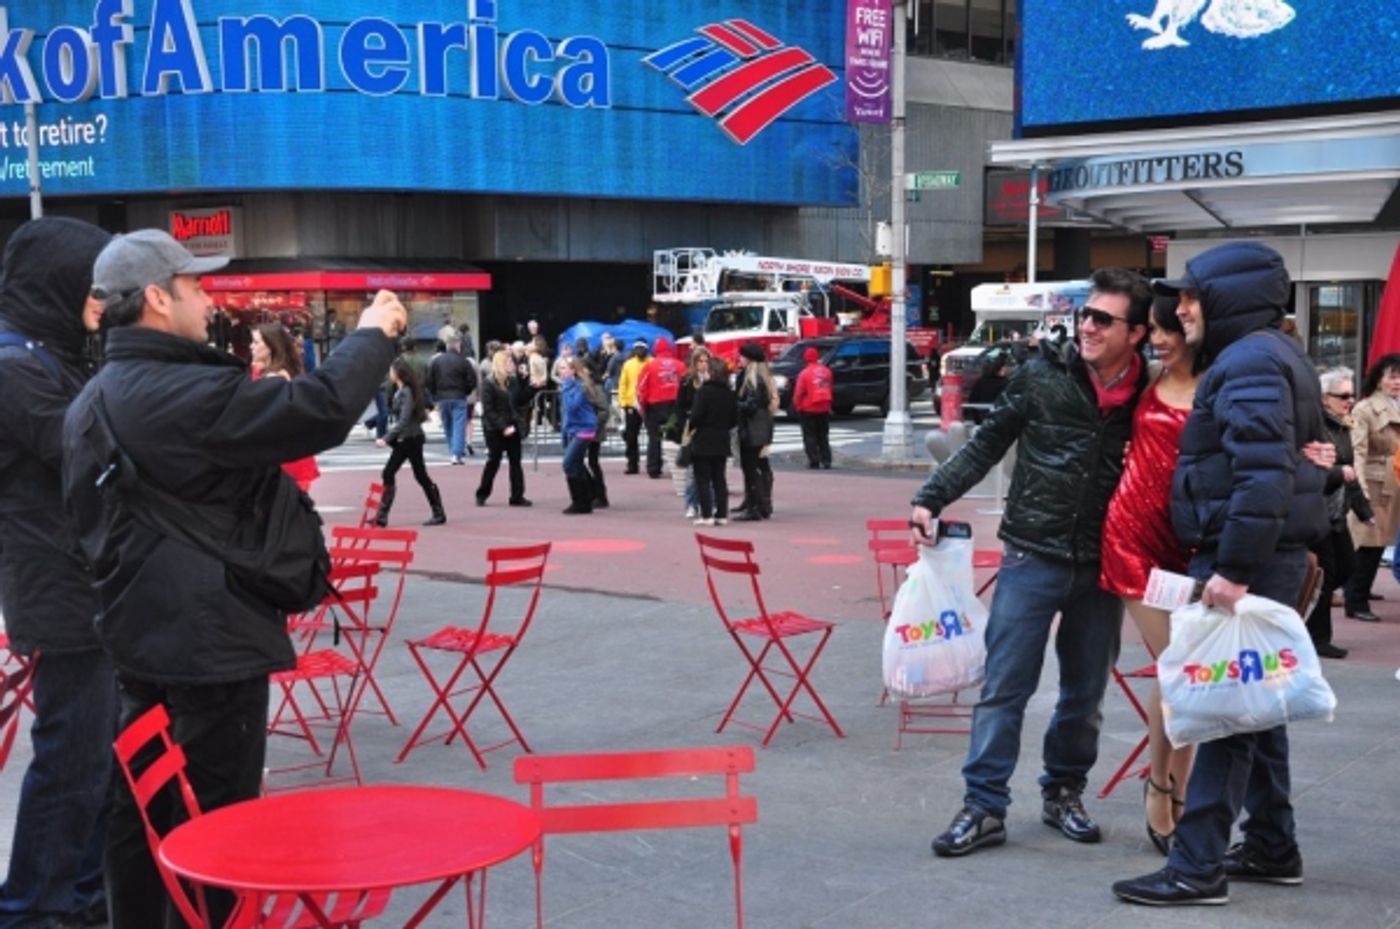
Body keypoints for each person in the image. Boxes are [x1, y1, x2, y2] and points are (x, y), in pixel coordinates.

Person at [62, 229, 405, 929]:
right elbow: (318, 410)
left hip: (136, 640)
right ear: (158, 298)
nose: (207, 295)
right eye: (194, 284)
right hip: (211, 644)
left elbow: (85, 531)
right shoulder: (184, 392)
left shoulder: (89, 404)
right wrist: (372, 334)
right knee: (220, 824)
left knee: (141, 809)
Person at [1113, 242, 1329, 907]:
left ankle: (1197, 863)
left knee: (1227, 711)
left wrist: (1232, 569)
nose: (1180, 310)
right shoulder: (1265, 355)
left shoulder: (1249, 362)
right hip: (1261, 555)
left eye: (1191, 296)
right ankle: (1271, 842)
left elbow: (1262, 473)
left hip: (1247, 562)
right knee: (1255, 705)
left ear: (1229, 298)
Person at [910, 267, 1153, 858]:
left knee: (1085, 693)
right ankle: (984, 806)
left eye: (1103, 318)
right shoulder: (1043, 375)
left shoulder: (1152, 391)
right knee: (1005, 688)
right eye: (1085, 314)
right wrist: (931, 497)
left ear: (1139, 333)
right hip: (1031, 553)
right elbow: (988, 442)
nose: (1088, 326)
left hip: (1104, 563)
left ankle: (1063, 792)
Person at [0, 217, 115, 929]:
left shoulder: (51, 354)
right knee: (71, 759)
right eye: (93, 286)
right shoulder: (15, 366)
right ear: (59, 283)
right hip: (61, 590)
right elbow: (83, 447)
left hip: (83, 584)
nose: (102, 303)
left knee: (93, 758)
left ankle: (80, 893)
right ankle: (34, 906)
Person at [1098, 293, 1200, 855]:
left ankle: (1168, 781)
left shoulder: (1219, 383)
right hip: (1131, 535)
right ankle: (1165, 786)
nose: (1159, 340)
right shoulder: (1143, 377)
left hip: (1188, 543)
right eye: (1154, 331)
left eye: (1169, 331)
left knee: (1188, 669)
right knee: (1179, 665)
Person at [1308, 368, 1372, 659]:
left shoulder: (1343, 426)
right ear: (1324, 398)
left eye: (1351, 394)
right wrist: (1337, 474)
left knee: (1345, 568)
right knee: (1327, 572)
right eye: (1343, 395)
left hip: (1336, 512)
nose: (1349, 400)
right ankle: (1318, 638)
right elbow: (1311, 473)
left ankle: (1307, 607)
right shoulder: (1314, 428)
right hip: (1315, 511)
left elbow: (1350, 473)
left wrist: (1363, 510)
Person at [1343, 353, 1400, 623]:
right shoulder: (1365, 409)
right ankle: (1355, 599)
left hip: (1394, 482)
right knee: (1368, 543)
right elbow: (1358, 453)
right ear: (1379, 380)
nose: (1397, 382)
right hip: (1377, 483)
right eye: (1392, 376)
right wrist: (1361, 492)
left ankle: (1360, 591)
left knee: (1379, 543)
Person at [250, 322, 321, 493]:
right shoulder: (267, 373)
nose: (251, 346)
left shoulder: (277, 377)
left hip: (284, 461)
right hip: (282, 456)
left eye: (256, 342)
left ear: (271, 347)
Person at [374, 358, 446, 527]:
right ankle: (383, 516)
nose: (390, 374)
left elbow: (404, 418)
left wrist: (386, 438)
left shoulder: (406, 392)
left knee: (400, 473)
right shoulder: (404, 390)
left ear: (398, 373)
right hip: (408, 438)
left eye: (391, 371)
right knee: (414, 475)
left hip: (409, 438)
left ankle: (383, 515)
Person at [476, 348, 532, 507]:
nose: (512, 365)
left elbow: (520, 400)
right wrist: (503, 427)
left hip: (511, 424)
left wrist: (530, 385)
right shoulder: (488, 383)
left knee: (516, 461)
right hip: (494, 428)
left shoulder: (513, 381)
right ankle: (482, 493)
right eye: (509, 362)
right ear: (500, 364)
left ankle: (517, 495)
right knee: (494, 460)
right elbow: (489, 410)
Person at [687, 358, 739, 526]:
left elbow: (695, 416)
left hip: (703, 438)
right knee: (719, 479)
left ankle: (707, 514)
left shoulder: (703, 392)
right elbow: (734, 419)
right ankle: (722, 514)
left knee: (702, 479)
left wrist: (692, 427)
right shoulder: (729, 393)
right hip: (722, 438)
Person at [734, 342, 777, 521]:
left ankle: (754, 506)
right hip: (761, 427)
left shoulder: (752, 379)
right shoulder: (763, 376)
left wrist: (733, 404)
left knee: (750, 467)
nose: (739, 359)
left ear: (749, 359)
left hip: (752, 429)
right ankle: (761, 503)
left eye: (742, 356)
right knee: (759, 466)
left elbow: (751, 405)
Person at [637, 336, 684, 479]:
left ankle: (654, 468)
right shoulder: (680, 365)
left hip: (654, 405)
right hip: (675, 404)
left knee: (654, 438)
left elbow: (641, 388)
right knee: (678, 436)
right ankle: (680, 465)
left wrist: (643, 406)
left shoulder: (649, 366)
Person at [427, 331, 478, 464]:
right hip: (459, 396)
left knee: (448, 426)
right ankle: (456, 453)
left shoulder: (437, 361)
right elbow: (472, 380)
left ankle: (453, 451)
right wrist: (465, 391)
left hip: (442, 397)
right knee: (459, 425)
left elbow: (430, 381)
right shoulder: (463, 361)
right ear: (458, 346)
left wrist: (435, 395)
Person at [557, 356, 597, 515]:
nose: (561, 371)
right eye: (560, 368)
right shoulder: (570, 387)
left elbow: (572, 407)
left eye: (564, 368)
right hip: (573, 429)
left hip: (584, 429)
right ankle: (587, 498)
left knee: (568, 463)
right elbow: (566, 413)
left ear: (573, 370)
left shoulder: (579, 386)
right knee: (576, 463)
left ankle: (579, 500)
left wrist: (566, 387)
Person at [792, 346, 834, 469]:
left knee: (809, 436)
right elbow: (830, 387)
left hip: (808, 408)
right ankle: (827, 460)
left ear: (806, 358)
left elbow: (798, 393)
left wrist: (797, 405)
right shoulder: (827, 371)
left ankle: (814, 460)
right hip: (824, 407)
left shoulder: (804, 374)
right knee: (823, 435)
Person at [618, 339, 649, 474]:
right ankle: (632, 464)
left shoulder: (651, 363)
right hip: (632, 404)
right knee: (631, 436)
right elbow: (622, 384)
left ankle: (653, 463)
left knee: (653, 435)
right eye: (637, 348)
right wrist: (624, 402)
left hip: (649, 404)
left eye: (642, 348)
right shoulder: (628, 364)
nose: (639, 350)